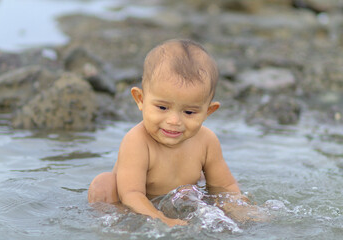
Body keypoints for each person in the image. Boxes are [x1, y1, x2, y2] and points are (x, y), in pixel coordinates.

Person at [88, 39, 244, 227]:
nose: (174, 121)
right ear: (140, 99)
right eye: (162, 107)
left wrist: (240, 210)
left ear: (208, 112)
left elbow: (225, 187)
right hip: (133, 206)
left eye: (189, 112)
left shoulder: (207, 141)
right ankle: (114, 230)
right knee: (104, 184)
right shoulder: (137, 141)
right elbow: (131, 194)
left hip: (177, 203)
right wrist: (162, 220)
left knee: (197, 193)